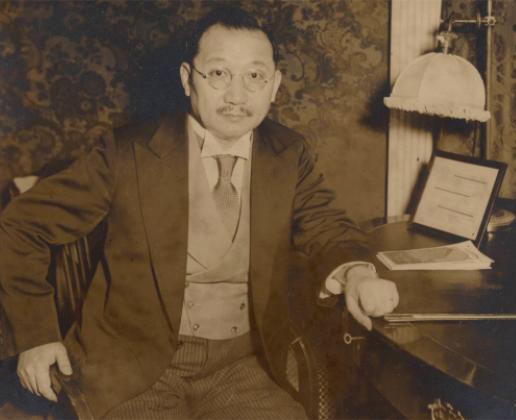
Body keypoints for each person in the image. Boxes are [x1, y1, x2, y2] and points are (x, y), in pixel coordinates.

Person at [0, 6, 399, 419]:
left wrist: (357, 272)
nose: (237, 96)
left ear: (275, 85)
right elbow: (19, 227)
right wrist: (36, 336)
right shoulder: (127, 153)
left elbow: (328, 227)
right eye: (220, 74)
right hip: (132, 368)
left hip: (244, 366)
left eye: (255, 77)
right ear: (188, 79)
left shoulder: (288, 153)